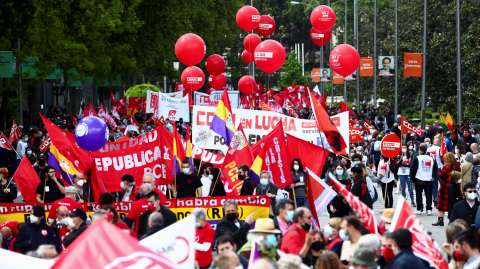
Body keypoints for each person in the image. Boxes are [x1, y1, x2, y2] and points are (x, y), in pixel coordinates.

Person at [434, 152, 461, 226]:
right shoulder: (457, 166)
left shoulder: (446, 167)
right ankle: (452, 220)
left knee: (441, 204)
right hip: (455, 186)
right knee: (452, 204)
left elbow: (440, 175)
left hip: (445, 186)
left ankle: (440, 220)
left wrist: (441, 169)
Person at [410, 144, 438, 215]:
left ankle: (419, 209)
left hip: (419, 178)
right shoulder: (431, 158)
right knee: (428, 194)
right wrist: (432, 176)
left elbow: (413, 169)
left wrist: (412, 179)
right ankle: (429, 209)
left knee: (418, 194)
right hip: (429, 178)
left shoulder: (417, 158)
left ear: (420, 149)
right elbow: (435, 168)